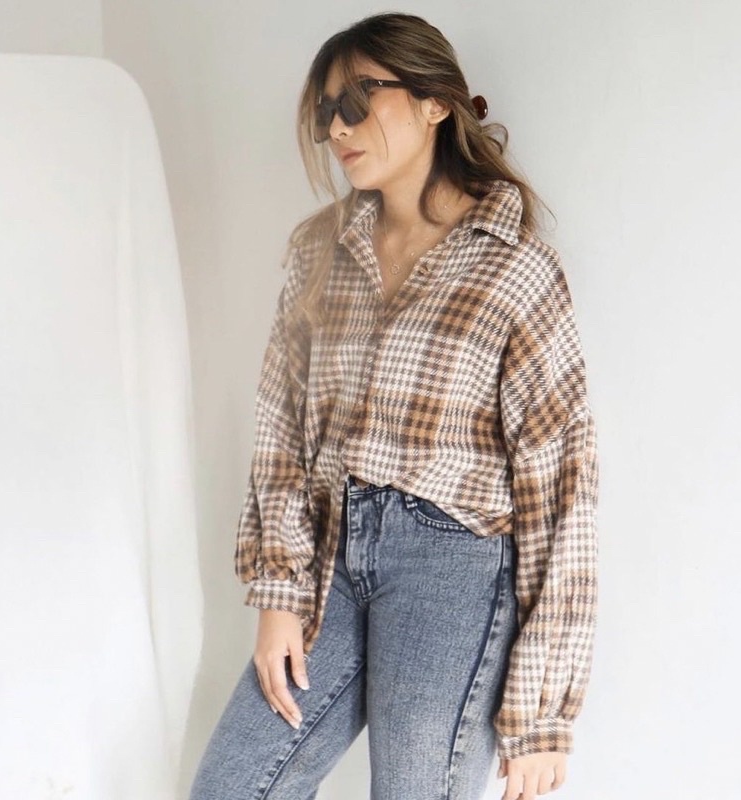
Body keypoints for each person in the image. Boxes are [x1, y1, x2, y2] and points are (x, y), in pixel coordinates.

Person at [189, 11, 599, 800]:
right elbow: (281, 429)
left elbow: (561, 488)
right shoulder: (320, 252)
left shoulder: (515, 267)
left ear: (436, 101)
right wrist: (279, 596)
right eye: (325, 111)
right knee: (231, 786)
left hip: (455, 567)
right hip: (332, 557)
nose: (338, 129)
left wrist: (542, 714)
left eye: (357, 99)